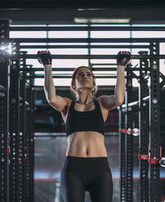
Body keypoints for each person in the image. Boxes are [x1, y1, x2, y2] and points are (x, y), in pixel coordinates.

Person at [37, 50, 131, 202]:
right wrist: (47, 65)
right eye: (80, 75)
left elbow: (119, 99)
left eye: (88, 74)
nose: (85, 76)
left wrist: (120, 67)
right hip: (74, 169)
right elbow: (52, 99)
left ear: (93, 82)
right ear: (74, 83)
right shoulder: (68, 105)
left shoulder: (101, 103)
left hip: (99, 169)